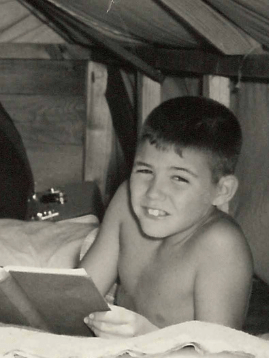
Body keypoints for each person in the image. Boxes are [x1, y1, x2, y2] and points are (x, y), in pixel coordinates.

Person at [77, 95, 254, 337]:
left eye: (179, 178)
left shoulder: (220, 245)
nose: (153, 192)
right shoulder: (125, 201)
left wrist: (149, 339)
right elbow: (78, 299)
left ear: (221, 191)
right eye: (145, 170)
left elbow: (220, 356)